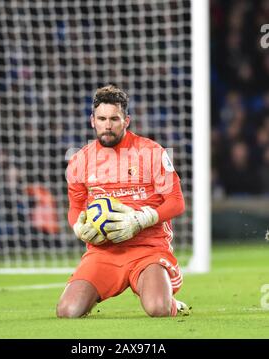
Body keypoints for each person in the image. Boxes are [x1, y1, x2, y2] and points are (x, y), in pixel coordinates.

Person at [56, 85, 189, 318]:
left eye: (114, 119)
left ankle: (169, 300)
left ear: (126, 120)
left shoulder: (151, 152)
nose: (108, 125)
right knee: (68, 311)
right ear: (92, 121)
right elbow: (75, 206)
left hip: (147, 249)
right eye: (102, 118)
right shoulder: (80, 160)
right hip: (104, 252)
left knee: (158, 309)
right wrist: (78, 226)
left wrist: (141, 220)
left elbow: (176, 202)